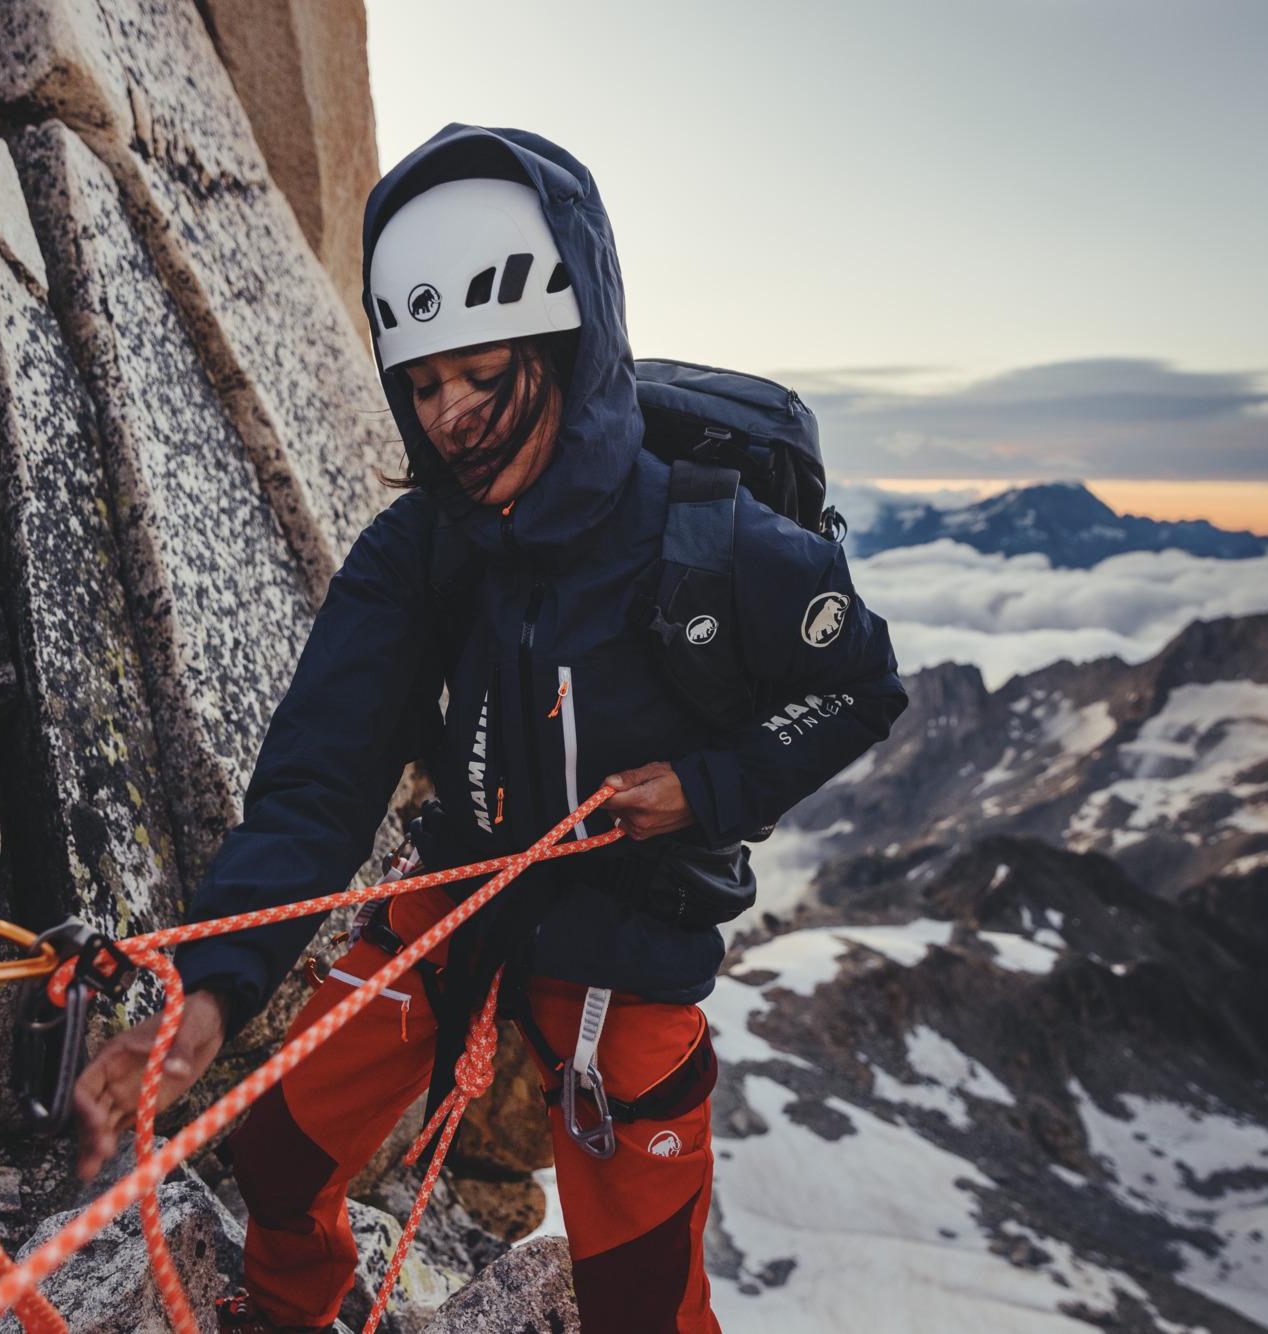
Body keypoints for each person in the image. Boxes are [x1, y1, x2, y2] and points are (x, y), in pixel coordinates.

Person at [70, 124, 908, 1334]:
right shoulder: (420, 552)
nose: (451, 417)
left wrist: (705, 786)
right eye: (422, 384)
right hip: (458, 891)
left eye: (482, 371)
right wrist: (210, 988)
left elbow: (864, 684)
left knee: (637, 1300)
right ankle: (290, 1311)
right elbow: (318, 777)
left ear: (566, 348)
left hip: (632, 934)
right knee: (281, 1154)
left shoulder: (721, 546)